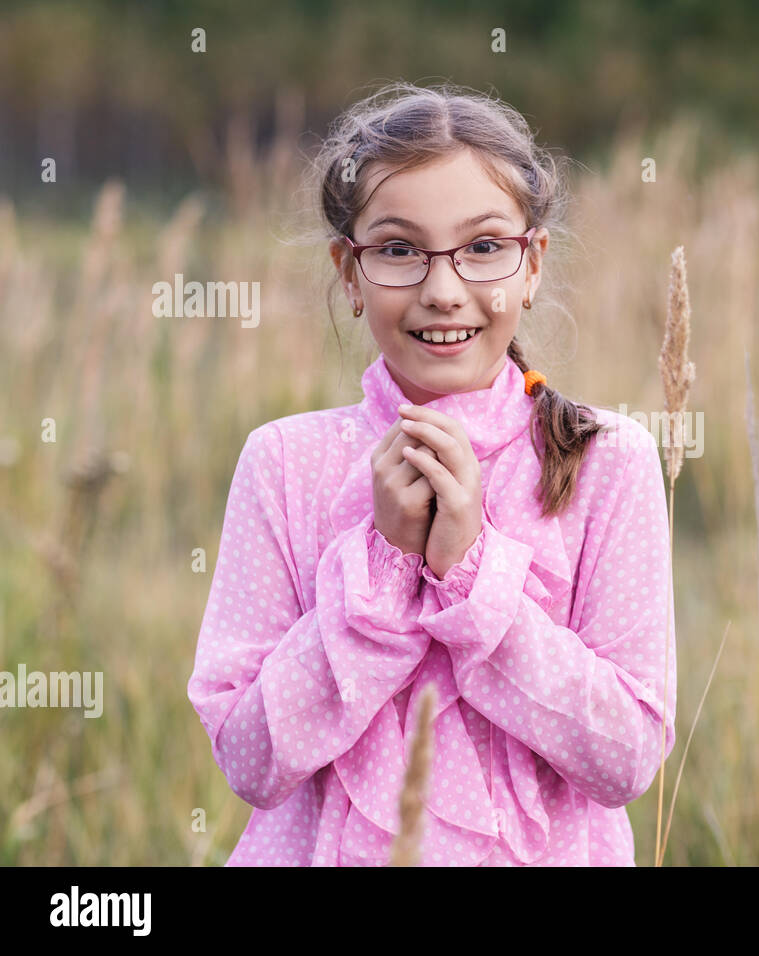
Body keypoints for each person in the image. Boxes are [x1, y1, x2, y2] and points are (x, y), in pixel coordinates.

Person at [186, 81, 676, 866]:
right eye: (398, 250)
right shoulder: (284, 463)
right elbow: (252, 762)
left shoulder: (605, 461)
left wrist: (471, 576)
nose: (443, 290)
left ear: (532, 262)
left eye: (483, 247)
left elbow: (625, 759)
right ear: (351, 273)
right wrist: (379, 568)